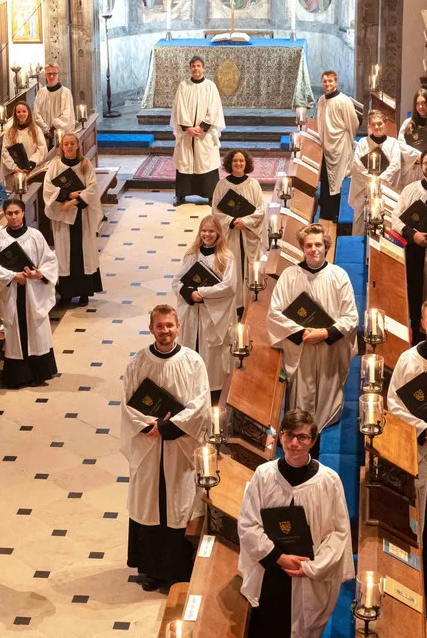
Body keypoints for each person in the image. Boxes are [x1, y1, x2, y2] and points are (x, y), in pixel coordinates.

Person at [238, 409, 355, 637]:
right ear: (280, 436)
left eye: (302, 437)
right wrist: (279, 558)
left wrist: (312, 567)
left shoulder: (329, 481)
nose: (294, 443)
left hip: (308, 572)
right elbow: (248, 524)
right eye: (289, 435)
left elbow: (339, 534)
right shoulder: (264, 475)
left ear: (312, 441)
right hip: (271, 569)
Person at [120, 304, 210, 591]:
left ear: (178, 326)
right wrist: (150, 425)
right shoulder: (138, 363)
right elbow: (127, 404)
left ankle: (176, 571)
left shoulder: (193, 362)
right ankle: (151, 570)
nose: (165, 331)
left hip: (179, 445)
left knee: (177, 503)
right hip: (149, 446)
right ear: (151, 329)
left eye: (170, 325)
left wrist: (169, 427)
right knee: (150, 503)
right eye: (159, 326)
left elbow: (201, 404)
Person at [267, 224, 358, 447]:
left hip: (329, 350)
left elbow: (351, 317)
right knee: (301, 400)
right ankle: (299, 438)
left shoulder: (339, 276)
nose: (314, 249)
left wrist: (325, 333)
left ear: (326, 247)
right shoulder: (290, 275)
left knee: (327, 399)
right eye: (309, 245)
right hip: (302, 350)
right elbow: (274, 314)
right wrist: (301, 332)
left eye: (318, 245)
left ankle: (320, 439)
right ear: (302, 247)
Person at [387, 296, 427, 599]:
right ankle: (422, 579)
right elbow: (393, 403)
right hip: (421, 449)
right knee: (424, 513)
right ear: (421, 324)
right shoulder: (408, 360)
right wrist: (424, 429)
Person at [0, 197, 58, 389]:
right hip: (13, 293)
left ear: (23, 213)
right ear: (5, 215)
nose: (13, 217)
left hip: (33, 292)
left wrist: (38, 274)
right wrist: (12, 276)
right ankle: (18, 376)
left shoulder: (35, 236)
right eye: (9, 213)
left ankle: (39, 373)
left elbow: (50, 261)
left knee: (36, 330)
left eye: (17, 212)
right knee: (15, 331)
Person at [390, 147, 427, 341]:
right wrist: (412, 235)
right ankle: (415, 339)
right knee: (412, 299)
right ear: (421, 165)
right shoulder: (410, 189)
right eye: (426, 163)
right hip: (412, 253)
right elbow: (395, 218)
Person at [173, 215, 236, 398]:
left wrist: (201, 292)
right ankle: (191, 390)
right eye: (204, 231)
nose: (207, 235)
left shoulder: (225, 257)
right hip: (193, 313)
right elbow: (177, 282)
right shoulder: (192, 254)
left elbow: (229, 286)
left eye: (211, 231)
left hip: (213, 316)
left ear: (218, 233)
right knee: (191, 349)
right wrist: (190, 293)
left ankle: (212, 392)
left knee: (211, 356)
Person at [43, 132, 102, 306]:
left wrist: (75, 201)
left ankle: (84, 293)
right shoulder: (55, 165)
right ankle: (67, 294)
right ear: (62, 147)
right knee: (65, 255)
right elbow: (48, 188)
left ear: (77, 146)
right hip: (63, 218)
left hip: (82, 216)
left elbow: (92, 188)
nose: (69, 147)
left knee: (82, 253)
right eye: (66, 144)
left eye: (72, 143)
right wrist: (66, 195)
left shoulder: (85, 165)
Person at [211, 149, 265, 313]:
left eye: (241, 161)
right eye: (235, 161)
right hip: (230, 234)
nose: (238, 164)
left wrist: (245, 221)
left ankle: (248, 300)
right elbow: (215, 211)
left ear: (246, 164)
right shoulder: (222, 185)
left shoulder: (253, 184)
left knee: (248, 266)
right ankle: (233, 302)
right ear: (230, 163)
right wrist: (232, 221)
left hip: (248, 234)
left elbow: (260, 210)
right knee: (231, 265)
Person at [170, 56, 225, 206]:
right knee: (184, 162)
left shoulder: (210, 86)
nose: (196, 68)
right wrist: (187, 127)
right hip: (187, 133)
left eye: (198, 66)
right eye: (193, 66)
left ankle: (210, 196)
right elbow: (179, 107)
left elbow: (214, 108)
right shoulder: (183, 86)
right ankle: (181, 196)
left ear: (203, 68)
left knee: (206, 162)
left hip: (204, 133)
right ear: (190, 68)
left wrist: (202, 127)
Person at [349, 109, 401, 236]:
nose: (377, 127)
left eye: (379, 124)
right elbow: (357, 165)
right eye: (373, 124)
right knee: (363, 218)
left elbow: (395, 165)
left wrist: (380, 180)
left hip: (385, 187)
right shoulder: (363, 142)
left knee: (385, 216)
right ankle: (360, 240)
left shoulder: (392, 143)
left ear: (385, 123)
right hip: (365, 188)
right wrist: (372, 180)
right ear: (369, 126)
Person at [317, 70, 359, 222]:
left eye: (330, 81)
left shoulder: (344, 100)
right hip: (326, 145)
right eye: (325, 81)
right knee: (326, 178)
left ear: (336, 82)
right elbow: (320, 121)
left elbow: (353, 123)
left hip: (340, 145)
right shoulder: (321, 100)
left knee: (339, 178)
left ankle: (337, 213)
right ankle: (326, 211)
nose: (327, 84)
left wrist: (348, 140)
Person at [0, 102, 47, 192]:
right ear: (15, 114)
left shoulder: (36, 130)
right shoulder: (9, 131)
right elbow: (5, 152)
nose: (21, 114)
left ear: (28, 112)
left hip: (32, 169)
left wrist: (32, 162)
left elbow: (42, 148)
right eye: (18, 112)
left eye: (24, 111)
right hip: (15, 172)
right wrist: (15, 168)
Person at [33, 63, 75, 146]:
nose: (51, 76)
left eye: (54, 74)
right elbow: (36, 114)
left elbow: (67, 114)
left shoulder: (65, 92)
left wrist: (53, 128)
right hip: (44, 135)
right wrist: (46, 130)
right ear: (45, 75)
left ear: (58, 74)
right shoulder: (40, 93)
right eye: (49, 74)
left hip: (60, 133)